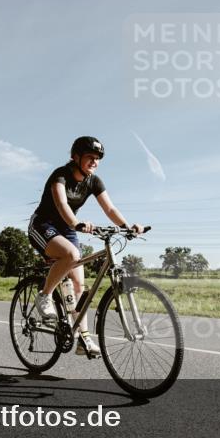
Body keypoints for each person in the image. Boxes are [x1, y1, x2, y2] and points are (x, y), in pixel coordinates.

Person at [28, 136, 144, 358]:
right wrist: (76, 223)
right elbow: (61, 203)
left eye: (98, 158)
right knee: (71, 255)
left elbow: (110, 209)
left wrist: (127, 227)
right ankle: (45, 295)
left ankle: (83, 338)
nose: (94, 162)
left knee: (79, 286)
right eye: (90, 157)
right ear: (76, 157)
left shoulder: (93, 181)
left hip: (68, 229)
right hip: (43, 226)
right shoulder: (60, 175)